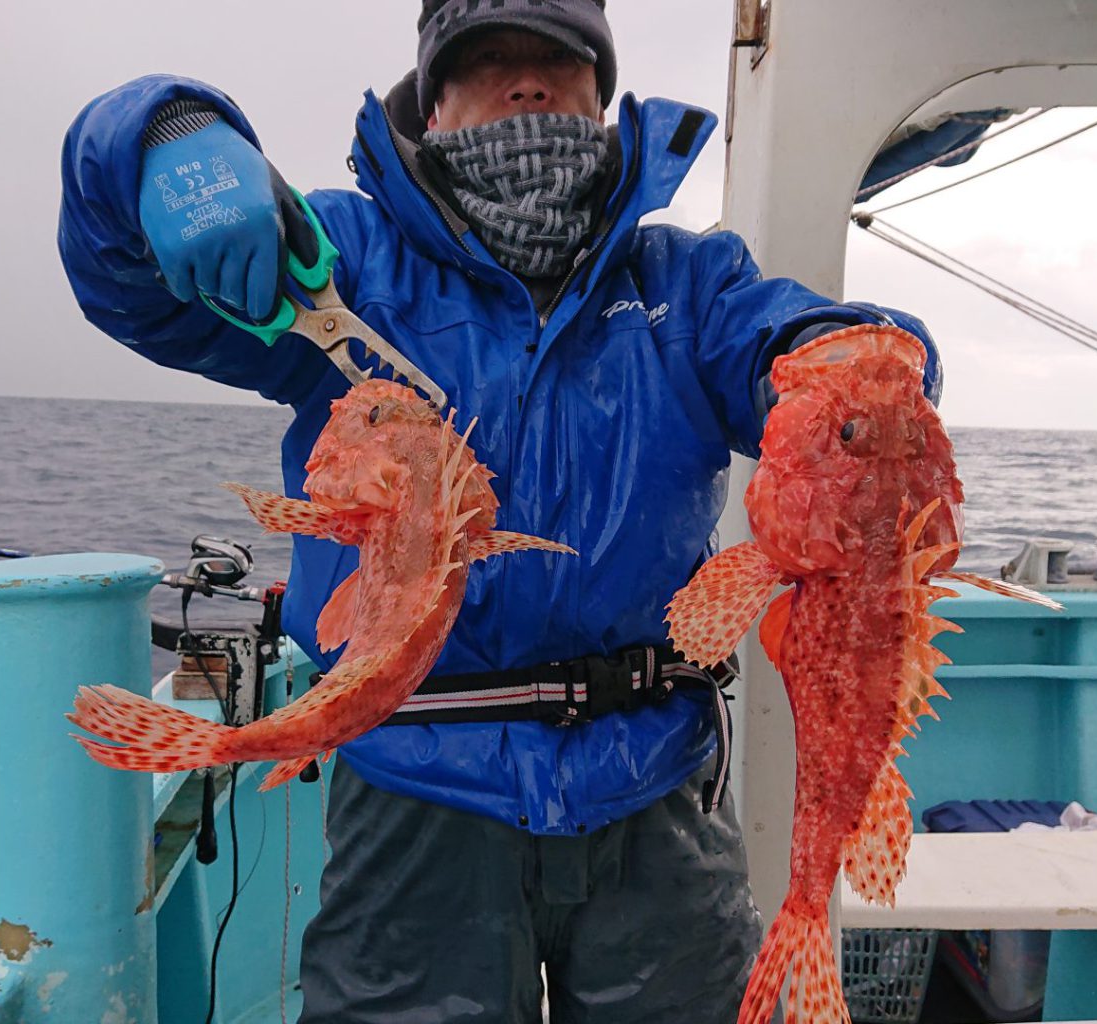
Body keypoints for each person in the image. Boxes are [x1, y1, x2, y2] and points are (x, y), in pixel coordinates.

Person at [58, 2, 943, 1020]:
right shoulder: (344, 262)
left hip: (654, 791)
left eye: (555, 61)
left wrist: (849, 356)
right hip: (415, 796)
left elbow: (802, 346)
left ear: (599, 93)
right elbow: (132, 291)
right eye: (487, 63)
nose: (526, 83)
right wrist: (160, 137)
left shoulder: (687, 284)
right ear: (430, 106)